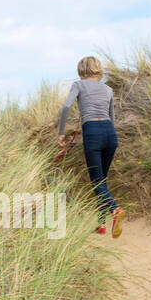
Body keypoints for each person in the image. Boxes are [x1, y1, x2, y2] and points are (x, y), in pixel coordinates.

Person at [58, 56, 124, 237]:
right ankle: (101, 224)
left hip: (93, 132)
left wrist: (61, 133)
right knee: (102, 180)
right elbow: (112, 118)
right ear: (98, 69)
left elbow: (65, 107)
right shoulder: (108, 89)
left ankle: (116, 210)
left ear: (81, 70)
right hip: (110, 133)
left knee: (97, 182)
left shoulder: (78, 85)